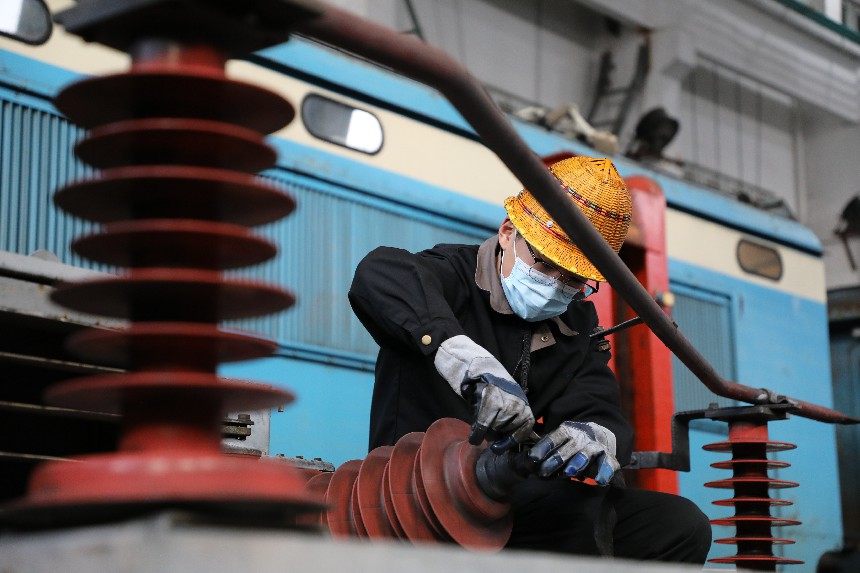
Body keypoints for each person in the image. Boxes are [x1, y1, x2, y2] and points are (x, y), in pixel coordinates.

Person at [348, 155, 712, 562]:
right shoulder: (450, 274)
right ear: (508, 232)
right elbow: (377, 273)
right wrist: (472, 366)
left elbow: (599, 406)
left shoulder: (573, 324)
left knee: (678, 527)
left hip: (506, 499)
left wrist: (593, 435)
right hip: (415, 496)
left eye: (573, 279)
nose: (555, 287)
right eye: (544, 263)